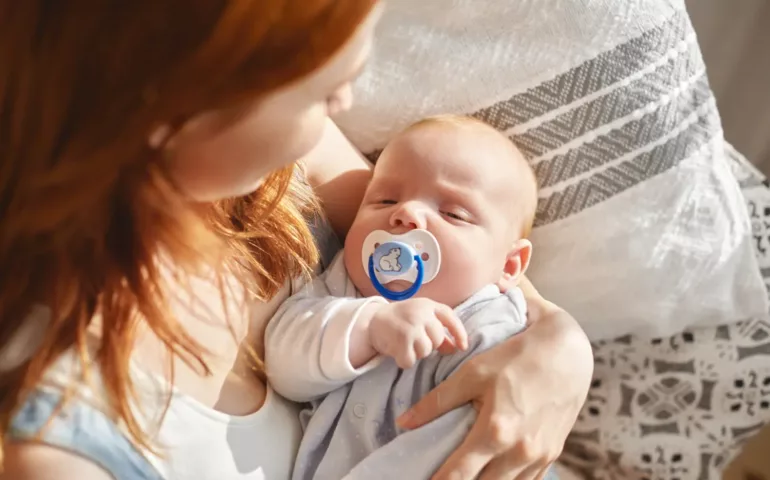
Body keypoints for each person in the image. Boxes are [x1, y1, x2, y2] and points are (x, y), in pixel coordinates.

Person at [0, 2, 593, 480]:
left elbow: (465, 250)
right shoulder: (61, 447)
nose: (345, 106)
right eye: (322, 91)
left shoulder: (281, 170)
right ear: (181, 108)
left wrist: (559, 344)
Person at [267, 115, 549, 480]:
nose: (406, 214)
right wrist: (368, 326)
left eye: (453, 213)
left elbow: (475, 443)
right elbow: (282, 367)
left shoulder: (491, 332)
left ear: (509, 266)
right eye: (384, 200)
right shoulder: (344, 286)